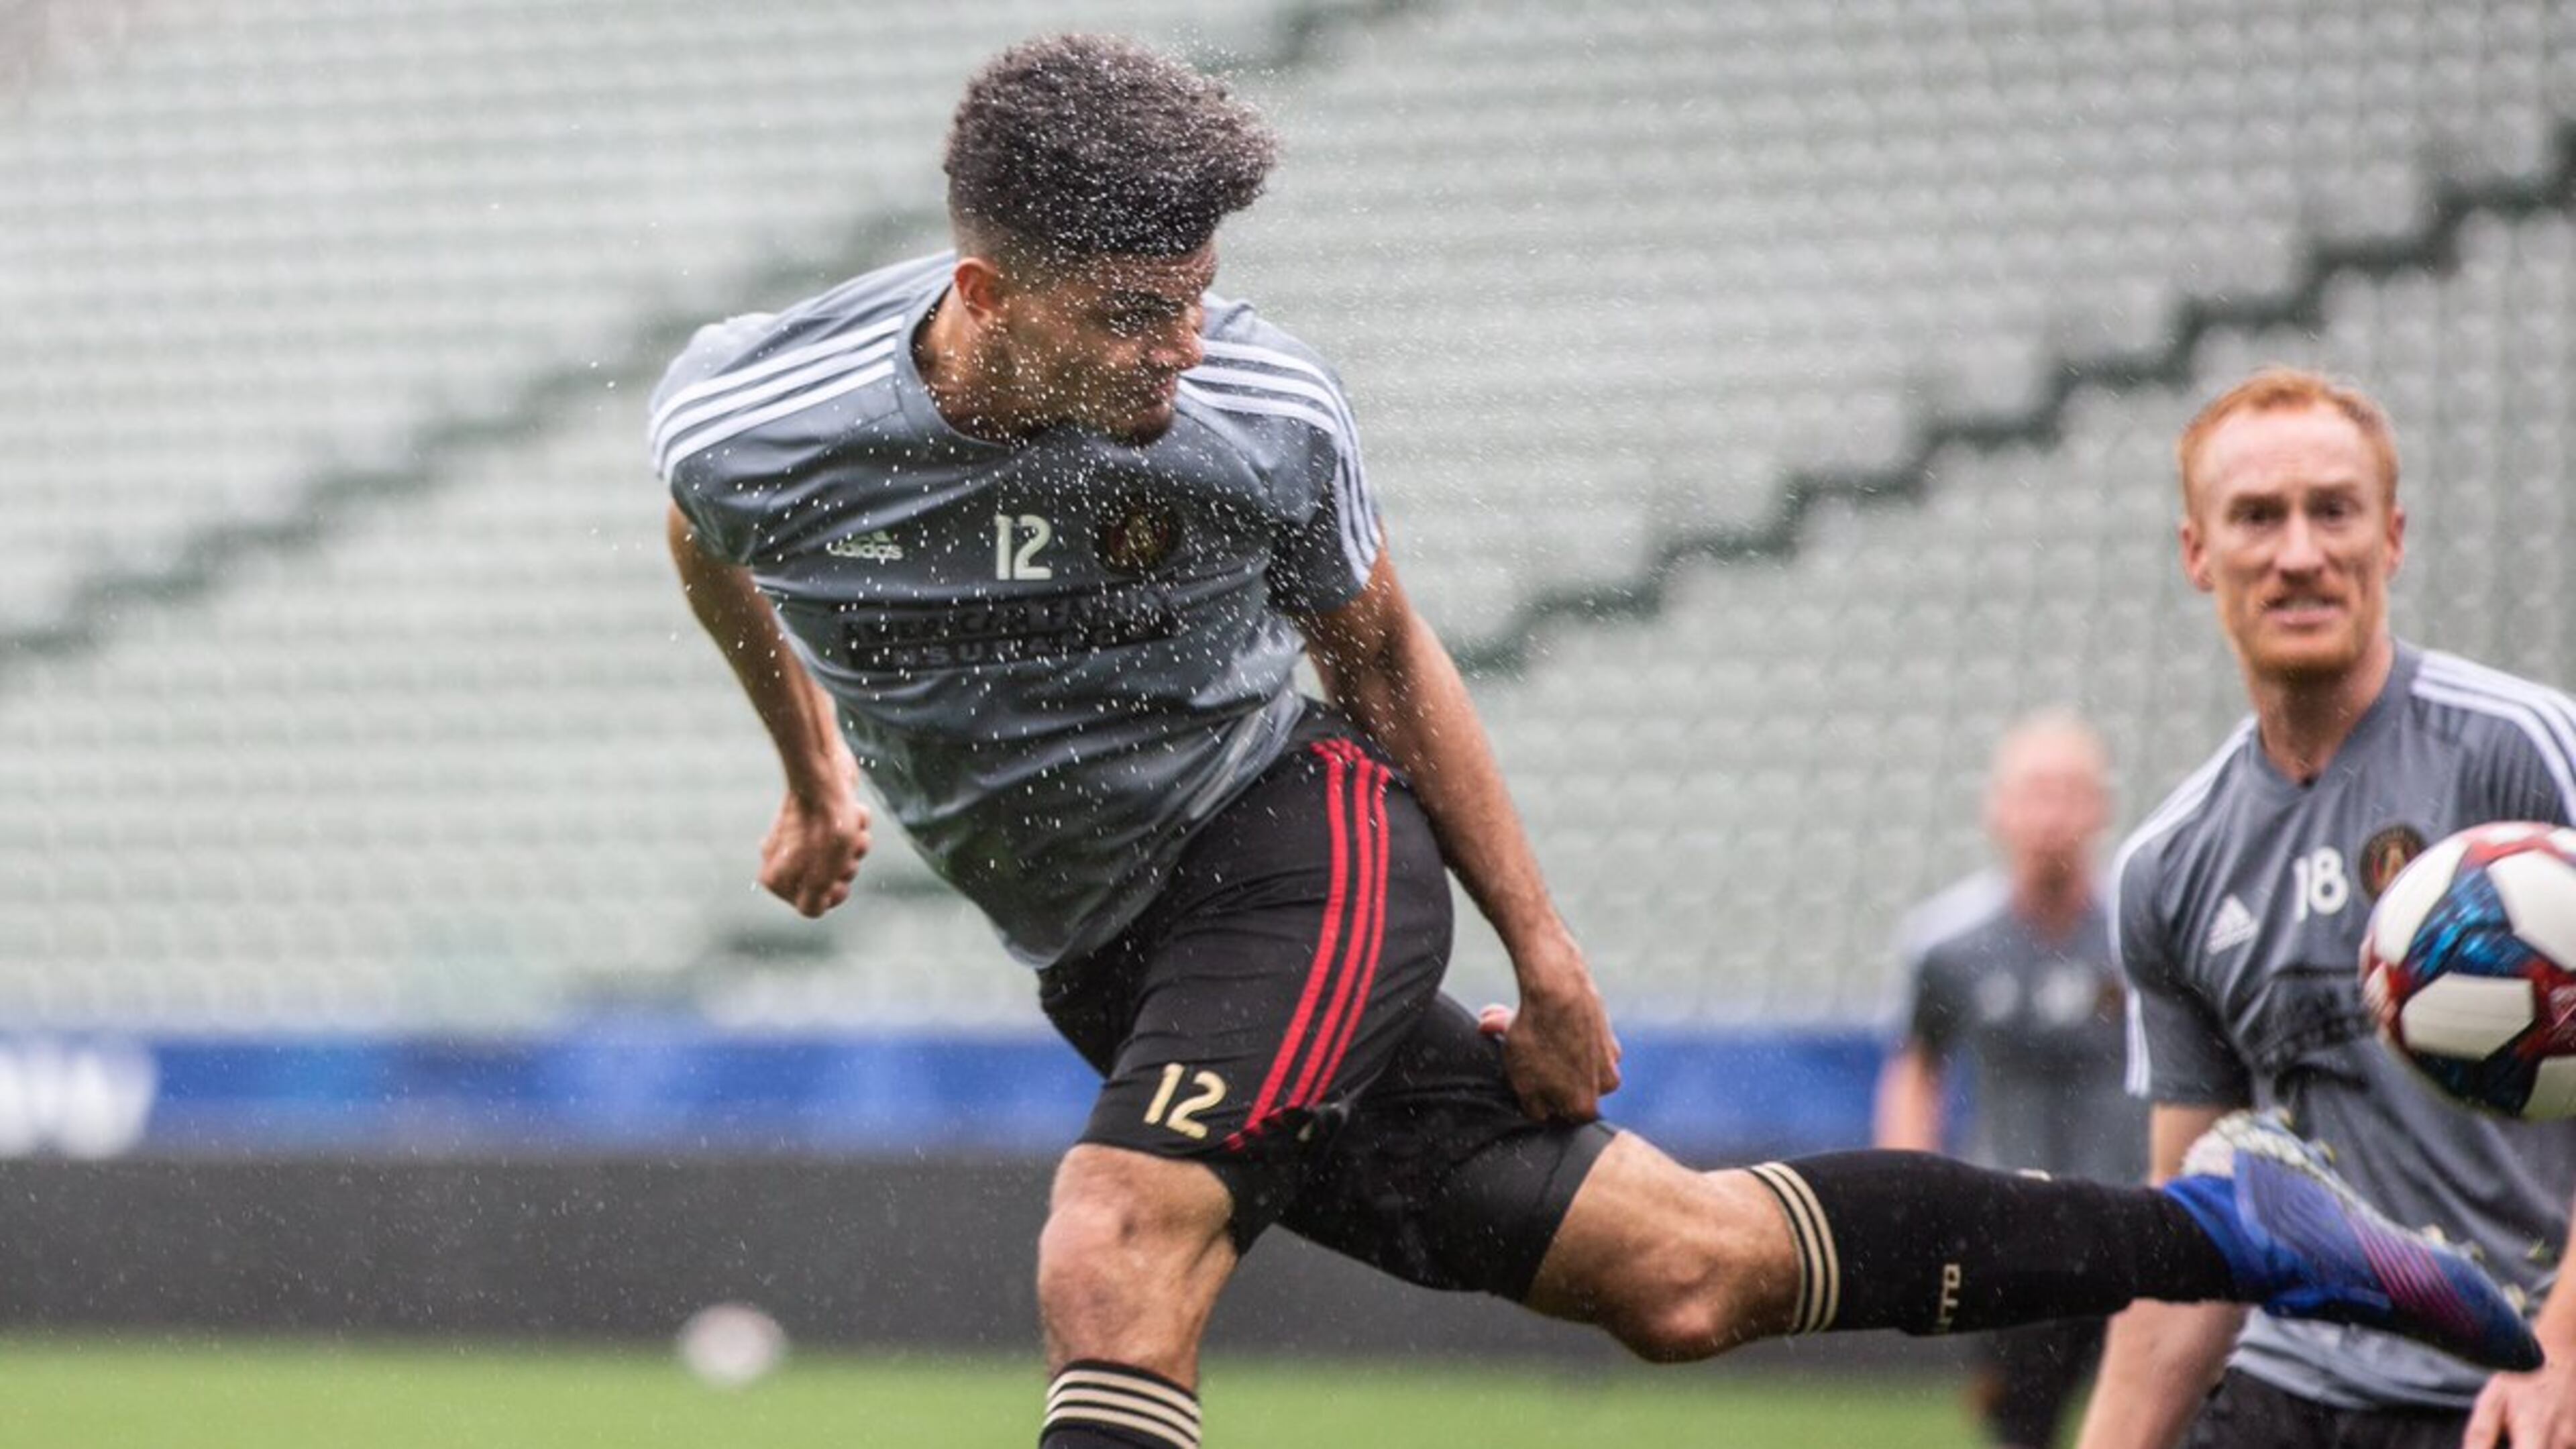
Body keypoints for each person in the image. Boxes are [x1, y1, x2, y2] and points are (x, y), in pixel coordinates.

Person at [653, 38, 2538, 1449]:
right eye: (1134, 314)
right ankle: (2223, 1231)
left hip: (1286, 844)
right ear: (987, 300)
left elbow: (1386, 661)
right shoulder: (752, 425)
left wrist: (1546, 959)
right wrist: (809, 765)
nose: (1185, 345)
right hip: (1108, 959)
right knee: (1690, 1274)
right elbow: (707, 536)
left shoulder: (1255, 415)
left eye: (1202, 293)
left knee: (1109, 1244)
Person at [2072, 367, 2576, 1449]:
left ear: (2390, 539)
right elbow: (2192, 1223)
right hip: (2286, 1385)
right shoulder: (2172, 864)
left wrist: (2566, 1355)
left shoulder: (2523, 752)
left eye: (2332, 510)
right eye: (2257, 516)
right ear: (2197, 554)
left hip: (2514, 1390)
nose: (2299, 552)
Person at [1876, 710, 2143, 1449]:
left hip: (2139, 1232)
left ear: (2101, 807)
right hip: (2008, 1239)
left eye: (2069, 791)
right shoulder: (1947, 944)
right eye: (2035, 791)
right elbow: (1916, 1070)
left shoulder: (2143, 934)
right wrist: (1908, 1199)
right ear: (1996, 807)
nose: (2052, 812)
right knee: (2021, 1430)